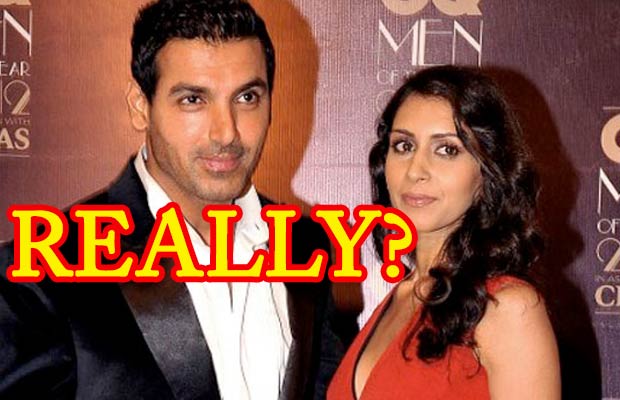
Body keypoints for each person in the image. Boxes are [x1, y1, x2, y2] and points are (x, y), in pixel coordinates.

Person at [0, 0, 351, 399]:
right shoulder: (41, 270)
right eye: (193, 100)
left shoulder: (303, 245)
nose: (226, 132)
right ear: (141, 107)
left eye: (247, 97)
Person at [328, 65, 561, 399]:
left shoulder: (508, 307)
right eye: (404, 146)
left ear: (487, 172)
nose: (416, 170)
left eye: (447, 150)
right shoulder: (401, 296)